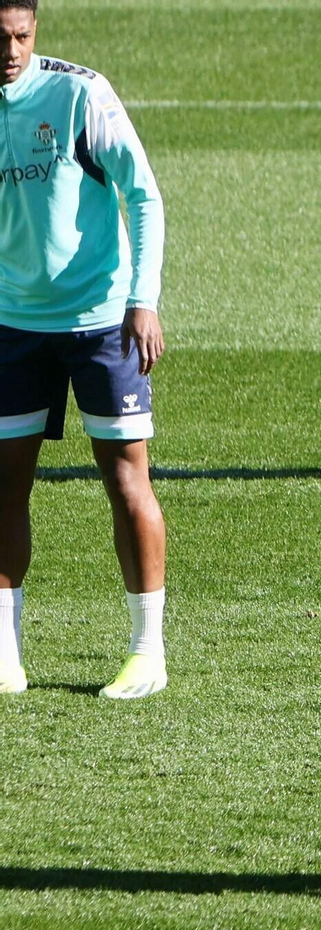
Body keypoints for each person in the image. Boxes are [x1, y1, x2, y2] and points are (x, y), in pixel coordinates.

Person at [1, 0, 170, 699]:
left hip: (102, 322)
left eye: (20, 35)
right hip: (13, 325)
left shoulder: (79, 93)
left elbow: (144, 195)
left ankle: (147, 652)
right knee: (5, 487)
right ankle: (5, 654)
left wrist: (143, 298)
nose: (10, 50)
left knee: (126, 480)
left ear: (35, 29)